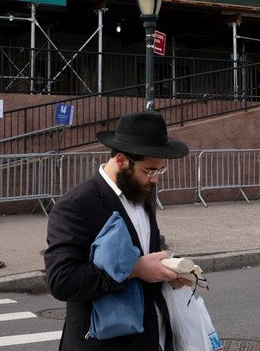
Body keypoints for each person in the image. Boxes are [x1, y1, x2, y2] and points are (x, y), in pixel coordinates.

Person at [45, 111, 193, 350]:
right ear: (122, 161)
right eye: (149, 170)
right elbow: (62, 281)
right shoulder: (76, 204)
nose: (155, 179)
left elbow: (144, 253)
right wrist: (133, 269)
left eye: (160, 171)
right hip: (104, 342)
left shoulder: (140, 193)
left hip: (151, 337)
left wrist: (168, 271)